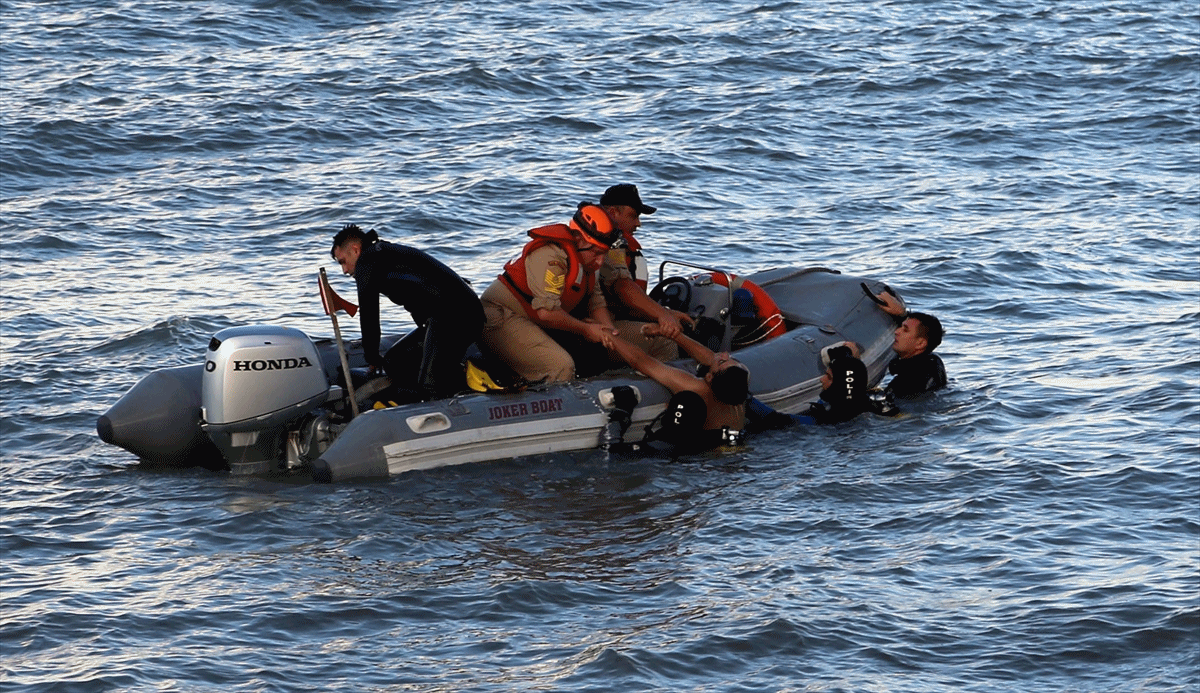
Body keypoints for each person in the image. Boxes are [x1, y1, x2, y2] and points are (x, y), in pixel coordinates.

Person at [479, 203, 674, 384]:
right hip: (504, 316)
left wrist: (609, 333)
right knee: (560, 366)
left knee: (662, 343)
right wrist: (587, 330)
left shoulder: (589, 261)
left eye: (604, 254)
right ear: (579, 239)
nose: (600, 261)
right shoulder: (551, 256)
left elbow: (595, 302)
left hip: (550, 322)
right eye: (596, 253)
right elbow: (547, 312)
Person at [330, 224, 484, 402]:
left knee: (430, 387)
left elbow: (369, 313)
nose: (344, 270)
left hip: (456, 315)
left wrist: (371, 357)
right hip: (450, 315)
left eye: (342, 261)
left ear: (355, 250)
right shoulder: (383, 252)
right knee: (395, 360)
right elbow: (423, 293)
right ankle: (426, 392)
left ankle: (448, 400)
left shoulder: (367, 261)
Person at [601, 323, 750, 450]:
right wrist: (670, 334)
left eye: (724, 360)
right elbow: (712, 358)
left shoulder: (696, 388)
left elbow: (642, 361)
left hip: (691, 455)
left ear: (709, 377)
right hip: (728, 451)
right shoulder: (739, 383)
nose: (724, 353)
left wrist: (608, 335)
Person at [597, 184, 694, 340]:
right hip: (599, 325)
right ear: (613, 213)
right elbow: (622, 287)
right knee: (666, 341)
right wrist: (663, 314)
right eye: (633, 216)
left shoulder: (588, 237)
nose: (638, 223)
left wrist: (664, 313)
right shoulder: (610, 244)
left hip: (604, 319)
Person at [872, 288, 947, 398]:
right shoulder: (933, 362)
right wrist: (901, 314)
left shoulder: (911, 382)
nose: (897, 331)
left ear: (920, 344)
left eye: (905, 330)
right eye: (901, 327)